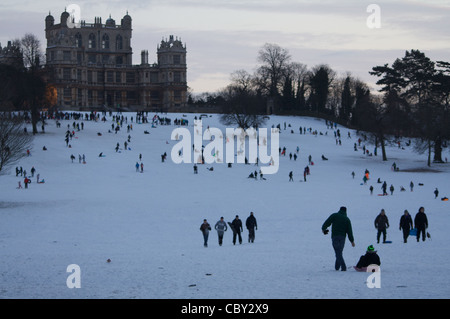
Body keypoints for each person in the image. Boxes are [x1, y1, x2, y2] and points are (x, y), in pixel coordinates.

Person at [321, 206, 355, 271]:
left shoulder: (334, 215)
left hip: (335, 236)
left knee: (338, 252)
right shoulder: (347, 219)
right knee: (339, 251)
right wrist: (352, 241)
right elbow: (349, 231)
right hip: (342, 238)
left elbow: (327, 222)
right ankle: (337, 267)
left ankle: (343, 267)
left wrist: (323, 228)